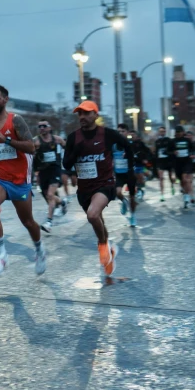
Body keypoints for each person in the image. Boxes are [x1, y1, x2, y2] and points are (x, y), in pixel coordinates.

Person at [59, 100, 132, 279]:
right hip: (84, 188)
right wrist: (76, 151)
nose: (82, 117)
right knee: (97, 220)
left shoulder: (107, 134)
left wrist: (128, 161)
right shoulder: (73, 137)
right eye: (80, 114)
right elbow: (66, 163)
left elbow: (128, 145)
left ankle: (103, 247)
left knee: (92, 215)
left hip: (104, 184)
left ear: (96, 115)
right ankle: (109, 249)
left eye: (86, 113)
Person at [0, 85, 46, 275]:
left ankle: (39, 249)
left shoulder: (16, 120)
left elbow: (31, 147)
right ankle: (2, 254)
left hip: (19, 180)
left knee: (28, 221)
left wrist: (7, 140)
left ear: (5, 99)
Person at [33, 120, 66, 232]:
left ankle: (49, 222)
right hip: (43, 172)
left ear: (49, 128)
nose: (42, 128)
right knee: (47, 196)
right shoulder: (36, 141)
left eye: (44, 126)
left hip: (55, 170)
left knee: (50, 195)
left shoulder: (57, 140)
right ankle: (62, 202)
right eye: (39, 126)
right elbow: (28, 152)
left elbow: (69, 149)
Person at [114, 123, 139, 228]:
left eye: (122, 131)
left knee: (132, 197)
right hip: (119, 174)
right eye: (118, 131)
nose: (120, 133)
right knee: (118, 192)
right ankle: (124, 202)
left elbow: (136, 156)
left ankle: (132, 216)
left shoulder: (131, 144)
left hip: (130, 174)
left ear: (128, 133)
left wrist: (129, 154)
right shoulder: (114, 145)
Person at [171, 126, 195, 209]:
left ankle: (190, 196)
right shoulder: (173, 141)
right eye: (177, 132)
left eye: (179, 132)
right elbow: (167, 151)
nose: (178, 133)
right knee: (182, 181)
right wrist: (173, 152)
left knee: (186, 179)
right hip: (177, 164)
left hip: (187, 162)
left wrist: (193, 154)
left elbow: (193, 149)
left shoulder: (187, 140)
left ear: (183, 132)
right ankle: (186, 195)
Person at [154, 126, 175, 201]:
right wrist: (155, 162)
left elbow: (173, 151)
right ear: (159, 132)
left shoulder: (169, 140)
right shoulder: (157, 141)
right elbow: (156, 152)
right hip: (160, 162)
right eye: (160, 131)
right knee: (161, 178)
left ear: (165, 132)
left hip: (168, 161)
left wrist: (168, 153)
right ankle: (162, 194)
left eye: (163, 131)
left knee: (170, 177)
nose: (162, 132)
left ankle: (172, 186)